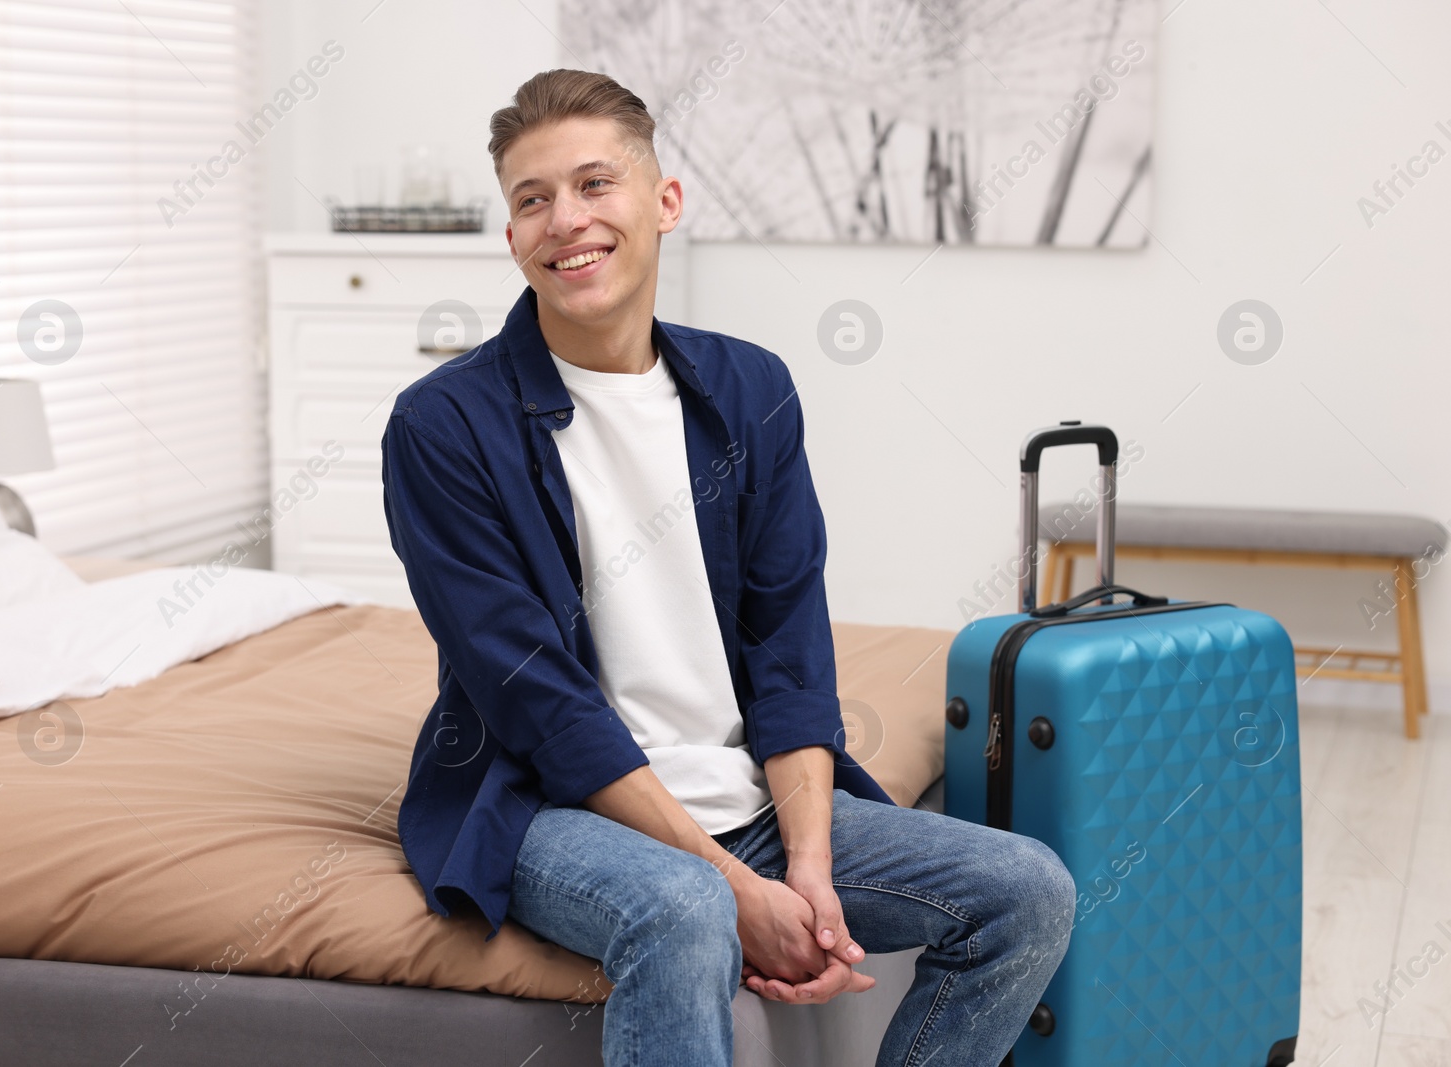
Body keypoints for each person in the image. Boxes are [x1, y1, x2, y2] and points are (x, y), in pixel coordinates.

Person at [380, 67, 1076, 1067]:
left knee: (1029, 889)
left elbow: (788, 647)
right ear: (511, 237)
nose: (563, 220)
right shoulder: (443, 424)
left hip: (746, 791)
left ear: (664, 203)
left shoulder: (749, 388)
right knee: (683, 905)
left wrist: (808, 867)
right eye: (531, 200)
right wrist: (738, 886)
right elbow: (534, 698)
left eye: (593, 185)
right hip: (545, 802)